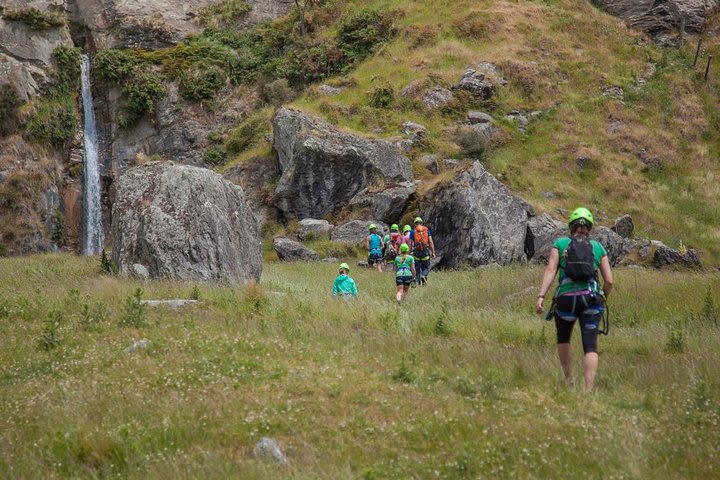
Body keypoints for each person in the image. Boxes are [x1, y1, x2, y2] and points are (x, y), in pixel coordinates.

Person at [535, 207, 613, 391]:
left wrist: (541, 296)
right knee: (590, 345)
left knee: (563, 338)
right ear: (589, 228)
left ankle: (569, 381)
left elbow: (551, 270)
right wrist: (603, 298)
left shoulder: (560, 244)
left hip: (566, 299)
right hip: (591, 299)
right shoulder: (597, 247)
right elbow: (609, 281)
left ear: (571, 226)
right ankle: (588, 389)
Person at [409, 217, 435, 286]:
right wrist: (433, 252)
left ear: (415, 224)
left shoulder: (412, 231)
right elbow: (431, 242)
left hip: (416, 252)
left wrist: (409, 252)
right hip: (425, 251)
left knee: (417, 269)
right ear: (422, 223)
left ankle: (418, 284)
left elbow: (410, 243)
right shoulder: (426, 230)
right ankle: (424, 276)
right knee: (426, 268)